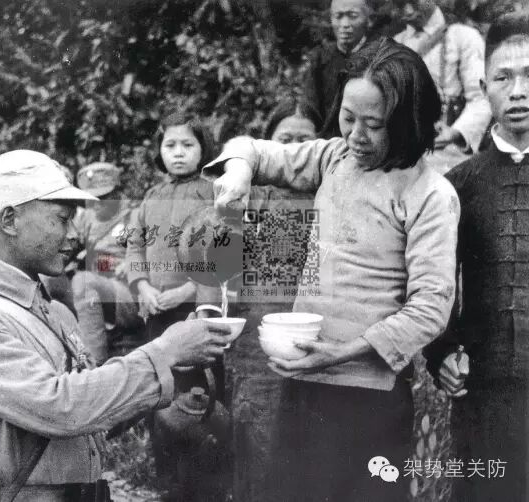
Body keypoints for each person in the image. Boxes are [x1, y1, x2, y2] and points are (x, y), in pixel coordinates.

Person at [204, 38, 459, 502]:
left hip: (371, 395)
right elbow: (253, 149)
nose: (356, 135)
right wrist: (239, 172)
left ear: (408, 121)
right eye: (347, 117)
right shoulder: (333, 158)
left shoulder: (429, 195)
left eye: (374, 124)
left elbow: (430, 308)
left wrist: (339, 353)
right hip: (303, 382)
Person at [0, 149, 230, 502]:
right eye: (62, 218)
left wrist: (175, 367)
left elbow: (93, 419)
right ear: (10, 220)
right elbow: (62, 408)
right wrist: (165, 353)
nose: (74, 234)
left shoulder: (56, 313)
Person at [423, 12, 529, 501]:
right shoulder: (458, 184)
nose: (519, 92)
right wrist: (442, 353)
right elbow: (433, 283)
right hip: (484, 394)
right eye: (504, 78)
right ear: (484, 89)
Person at [224, 98, 316, 502]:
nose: (293, 148)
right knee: (259, 433)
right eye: (285, 138)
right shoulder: (249, 195)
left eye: (304, 140)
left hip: (319, 332)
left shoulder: (332, 193)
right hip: (258, 337)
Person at [126, 110, 216, 342]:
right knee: (160, 357)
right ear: (160, 150)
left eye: (187, 145)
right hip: (157, 303)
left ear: (202, 149)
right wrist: (143, 286)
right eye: (170, 145)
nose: (178, 153)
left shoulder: (212, 193)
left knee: (198, 355)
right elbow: (135, 245)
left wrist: (188, 290)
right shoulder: (152, 196)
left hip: (199, 301)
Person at [394, 0, 491, 174]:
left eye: (414, 2)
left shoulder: (463, 38)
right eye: (400, 3)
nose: (408, 11)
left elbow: (482, 98)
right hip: (404, 160)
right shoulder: (394, 45)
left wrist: (455, 133)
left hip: (452, 158)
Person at [71, 161, 144, 366]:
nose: (97, 204)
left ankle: (95, 367)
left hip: (128, 294)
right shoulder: (87, 218)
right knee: (50, 280)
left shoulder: (136, 216)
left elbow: (160, 258)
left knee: (83, 282)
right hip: (93, 290)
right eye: (91, 199)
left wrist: (133, 264)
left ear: (117, 192)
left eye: (103, 197)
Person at [303, 0, 376, 138]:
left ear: (369, 20)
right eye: (338, 16)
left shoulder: (380, 56)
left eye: (353, 16)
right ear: (331, 19)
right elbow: (310, 108)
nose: (345, 24)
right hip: (327, 141)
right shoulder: (320, 58)